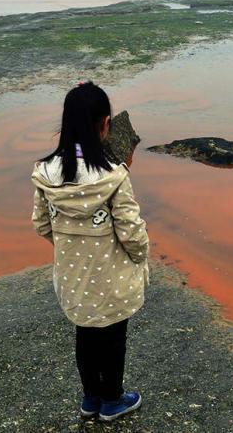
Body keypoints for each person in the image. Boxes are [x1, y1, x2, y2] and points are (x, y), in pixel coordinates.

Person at [30, 81, 150, 422]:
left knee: (85, 336)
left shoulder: (46, 173)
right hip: (111, 276)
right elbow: (131, 232)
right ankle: (112, 400)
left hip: (73, 276)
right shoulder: (113, 176)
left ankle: (89, 399)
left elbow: (41, 224)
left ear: (66, 124)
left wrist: (71, 246)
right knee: (113, 339)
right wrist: (141, 255)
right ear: (105, 125)